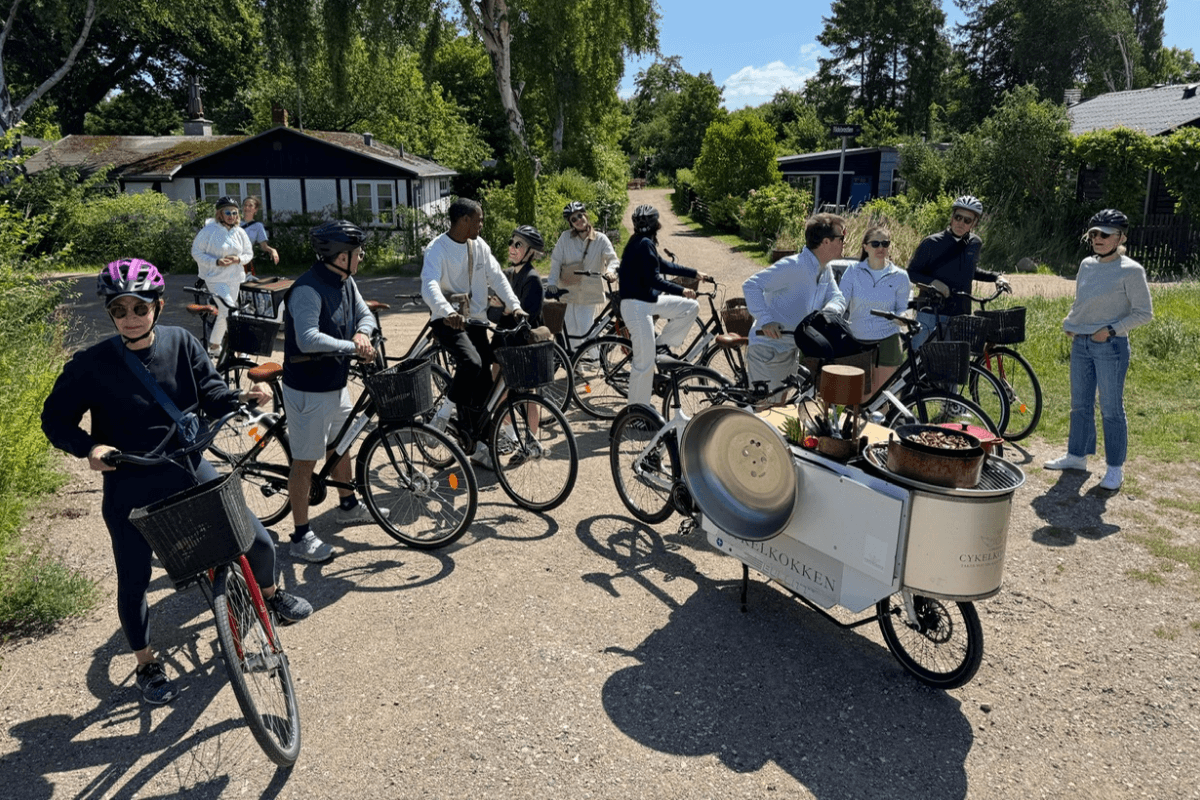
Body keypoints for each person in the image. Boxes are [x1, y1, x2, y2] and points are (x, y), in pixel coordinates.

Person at [41, 259, 313, 705]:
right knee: (133, 577)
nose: (131, 317)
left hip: (188, 466)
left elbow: (210, 391)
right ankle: (146, 661)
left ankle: (269, 594)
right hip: (130, 479)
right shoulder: (92, 364)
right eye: (120, 310)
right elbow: (54, 420)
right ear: (111, 313)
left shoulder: (182, 342)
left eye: (140, 307)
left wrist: (241, 397)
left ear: (158, 306)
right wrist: (88, 448)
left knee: (258, 541)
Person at [281, 220, 382, 562]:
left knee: (342, 446)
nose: (361, 258)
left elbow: (365, 315)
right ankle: (299, 535)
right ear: (339, 257)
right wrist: (351, 347)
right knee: (305, 461)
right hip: (309, 389)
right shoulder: (307, 289)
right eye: (357, 253)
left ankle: (347, 504)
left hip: (335, 383)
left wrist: (362, 334)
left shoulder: (345, 281)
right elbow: (307, 339)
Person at [1044, 209, 1153, 492]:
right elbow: (1082, 301)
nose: (1098, 238)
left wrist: (1111, 331)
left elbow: (1144, 313)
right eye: (1094, 233)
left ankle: (1115, 469)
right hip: (1081, 343)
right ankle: (1077, 457)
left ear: (1121, 237)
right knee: (1080, 404)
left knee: (1111, 408)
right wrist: (1071, 322)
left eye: (1105, 234)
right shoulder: (1087, 265)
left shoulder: (1132, 270)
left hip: (1111, 346)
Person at [421, 199, 526, 470]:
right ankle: (442, 415)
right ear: (464, 220)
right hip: (449, 321)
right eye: (478, 219)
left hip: (475, 321)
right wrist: (445, 311)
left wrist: (514, 305)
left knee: (485, 385)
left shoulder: (480, 246)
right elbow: (429, 284)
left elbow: (498, 277)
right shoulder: (437, 248)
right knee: (471, 363)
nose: (482, 224)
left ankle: (478, 445)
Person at [743, 212, 848, 402]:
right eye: (841, 237)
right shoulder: (793, 266)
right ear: (825, 242)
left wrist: (827, 314)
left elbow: (837, 297)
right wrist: (766, 320)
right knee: (764, 414)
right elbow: (751, 285)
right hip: (768, 350)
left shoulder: (825, 269)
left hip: (791, 349)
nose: (844, 242)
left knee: (780, 407)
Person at [618, 204, 710, 409]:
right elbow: (654, 280)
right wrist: (681, 290)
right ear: (656, 224)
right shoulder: (642, 244)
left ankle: (661, 344)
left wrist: (695, 273)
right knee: (644, 364)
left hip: (646, 303)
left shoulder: (642, 242)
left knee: (689, 308)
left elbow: (664, 265)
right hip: (635, 307)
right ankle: (637, 413)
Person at [906, 195, 1010, 348]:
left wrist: (996, 277)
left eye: (967, 220)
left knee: (952, 367)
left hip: (960, 314)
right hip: (931, 313)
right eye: (958, 217)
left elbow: (970, 271)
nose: (961, 223)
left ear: (974, 223)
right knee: (919, 363)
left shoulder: (975, 243)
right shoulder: (931, 243)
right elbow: (911, 273)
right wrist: (934, 283)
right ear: (952, 217)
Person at [839, 225, 911, 387]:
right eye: (875, 243)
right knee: (859, 396)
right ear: (865, 246)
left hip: (888, 339)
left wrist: (903, 317)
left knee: (882, 395)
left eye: (885, 244)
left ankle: (883, 414)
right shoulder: (853, 271)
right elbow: (841, 301)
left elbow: (903, 308)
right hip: (858, 338)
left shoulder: (900, 276)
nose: (881, 248)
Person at [191, 195, 253, 357]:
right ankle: (224, 346)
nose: (232, 216)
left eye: (234, 213)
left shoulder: (240, 232)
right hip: (215, 278)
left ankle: (226, 346)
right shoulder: (209, 231)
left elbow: (249, 253)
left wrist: (238, 259)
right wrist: (216, 261)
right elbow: (196, 252)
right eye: (228, 212)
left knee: (231, 312)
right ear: (220, 214)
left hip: (234, 278)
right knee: (227, 309)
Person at [548, 201, 618, 341]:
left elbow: (613, 260)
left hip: (588, 293)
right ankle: (576, 361)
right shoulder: (565, 238)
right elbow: (556, 262)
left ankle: (593, 359)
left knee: (586, 329)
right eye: (573, 219)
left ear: (585, 215)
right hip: (567, 291)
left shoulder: (601, 239)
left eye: (580, 216)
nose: (578, 221)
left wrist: (610, 271)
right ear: (571, 223)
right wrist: (552, 283)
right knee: (570, 330)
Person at [241, 196, 280, 276]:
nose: (247, 207)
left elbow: (264, 246)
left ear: (256, 209)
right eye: (245, 205)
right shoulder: (234, 223)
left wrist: (273, 250)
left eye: (250, 205)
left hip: (244, 262)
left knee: (245, 287)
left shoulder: (258, 226)